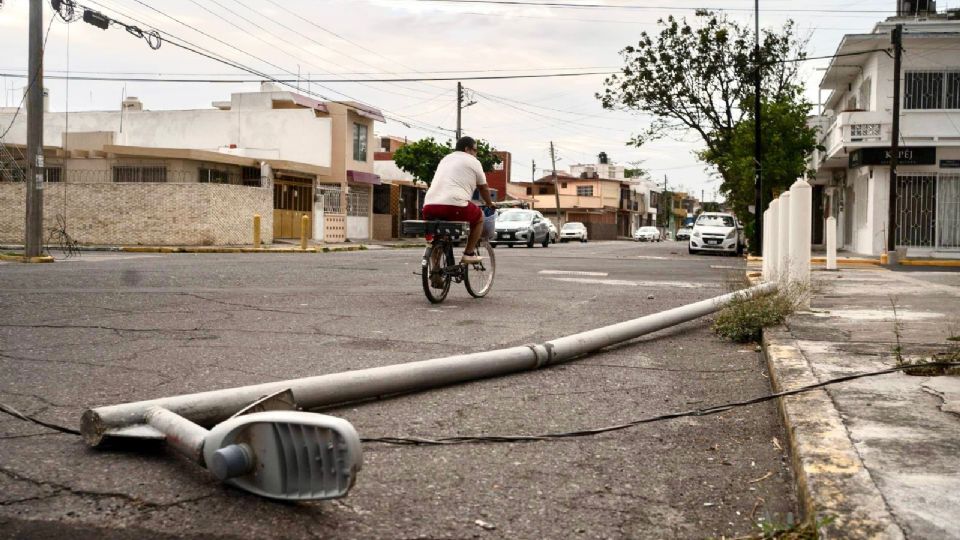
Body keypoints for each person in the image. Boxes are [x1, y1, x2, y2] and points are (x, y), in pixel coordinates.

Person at [422, 136, 497, 264]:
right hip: (454, 205)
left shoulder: (445, 159)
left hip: (429, 205)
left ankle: (435, 270)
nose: (476, 153)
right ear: (467, 149)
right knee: (479, 217)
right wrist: (490, 203)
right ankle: (469, 253)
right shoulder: (473, 161)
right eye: (475, 150)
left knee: (439, 237)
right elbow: (483, 187)